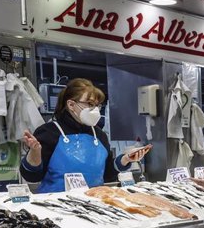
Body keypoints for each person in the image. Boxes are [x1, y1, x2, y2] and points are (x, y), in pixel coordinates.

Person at [20, 78, 150, 193]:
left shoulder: (99, 135)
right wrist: (35, 152)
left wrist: (126, 159)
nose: (95, 110)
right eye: (90, 104)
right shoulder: (49, 132)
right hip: (55, 206)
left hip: (93, 203)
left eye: (97, 105)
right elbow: (32, 177)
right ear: (71, 105)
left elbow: (108, 175)